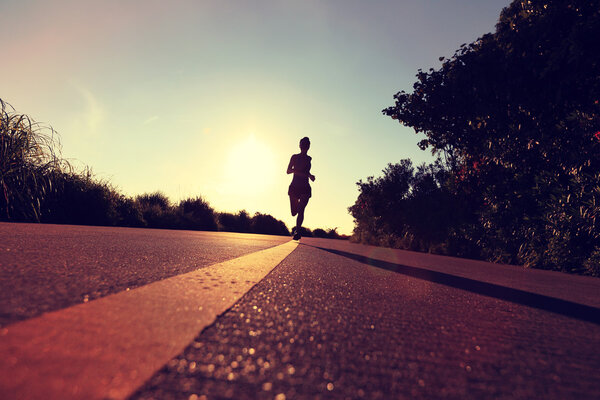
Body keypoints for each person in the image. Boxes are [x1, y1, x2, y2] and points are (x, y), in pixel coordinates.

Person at [287, 137, 315, 240]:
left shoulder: (309, 159)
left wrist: (310, 176)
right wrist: (301, 172)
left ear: (309, 146)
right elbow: (288, 171)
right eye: (303, 144)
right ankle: (297, 229)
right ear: (299, 145)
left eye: (307, 144)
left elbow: (306, 172)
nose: (305, 145)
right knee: (294, 212)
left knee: (301, 210)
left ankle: (297, 232)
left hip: (305, 187)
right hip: (294, 187)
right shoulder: (294, 157)